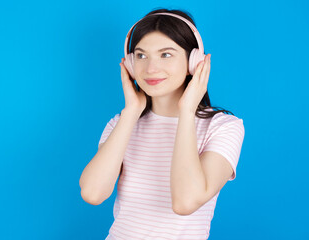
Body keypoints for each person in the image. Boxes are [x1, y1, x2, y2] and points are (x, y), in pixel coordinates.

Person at [79, 8, 245, 239]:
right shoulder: (121, 123)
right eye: (141, 55)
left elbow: (185, 202)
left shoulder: (224, 127)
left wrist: (186, 112)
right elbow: (93, 193)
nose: (150, 68)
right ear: (129, 63)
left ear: (193, 61)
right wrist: (131, 113)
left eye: (166, 54)